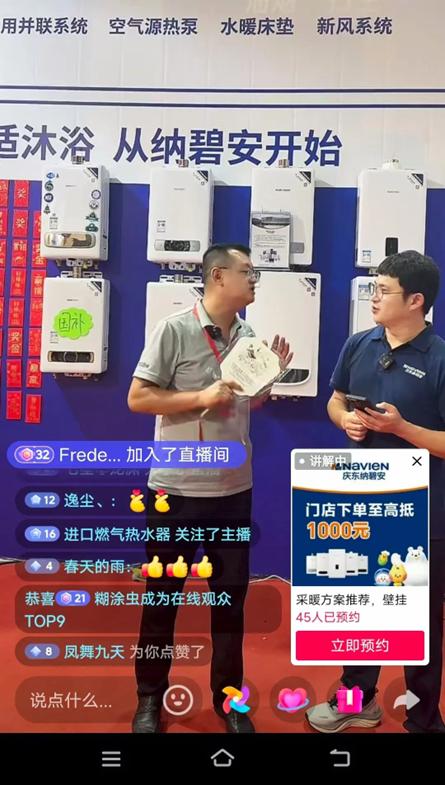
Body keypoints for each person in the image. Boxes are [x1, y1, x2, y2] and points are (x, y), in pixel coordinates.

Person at [128, 243, 292, 734]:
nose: (255, 279)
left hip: (233, 491)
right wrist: (200, 395)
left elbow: (244, 405)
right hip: (175, 491)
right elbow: (139, 398)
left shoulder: (248, 336)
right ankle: (149, 698)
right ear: (218, 276)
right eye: (248, 272)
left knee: (230, 602)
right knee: (163, 599)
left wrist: (265, 383)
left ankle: (228, 701)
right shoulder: (174, 329)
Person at [307, 250, 445, 734]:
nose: (373, 297)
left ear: (416, 301)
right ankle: (356, 700)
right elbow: (335, 399)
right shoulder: (359, 344)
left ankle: (423, 720)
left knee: (419, 625)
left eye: (383, 291)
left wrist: (403, 429)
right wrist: (344, 418)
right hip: (363, 501)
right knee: (362, 616)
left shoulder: (440, 357)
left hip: (423, 510)